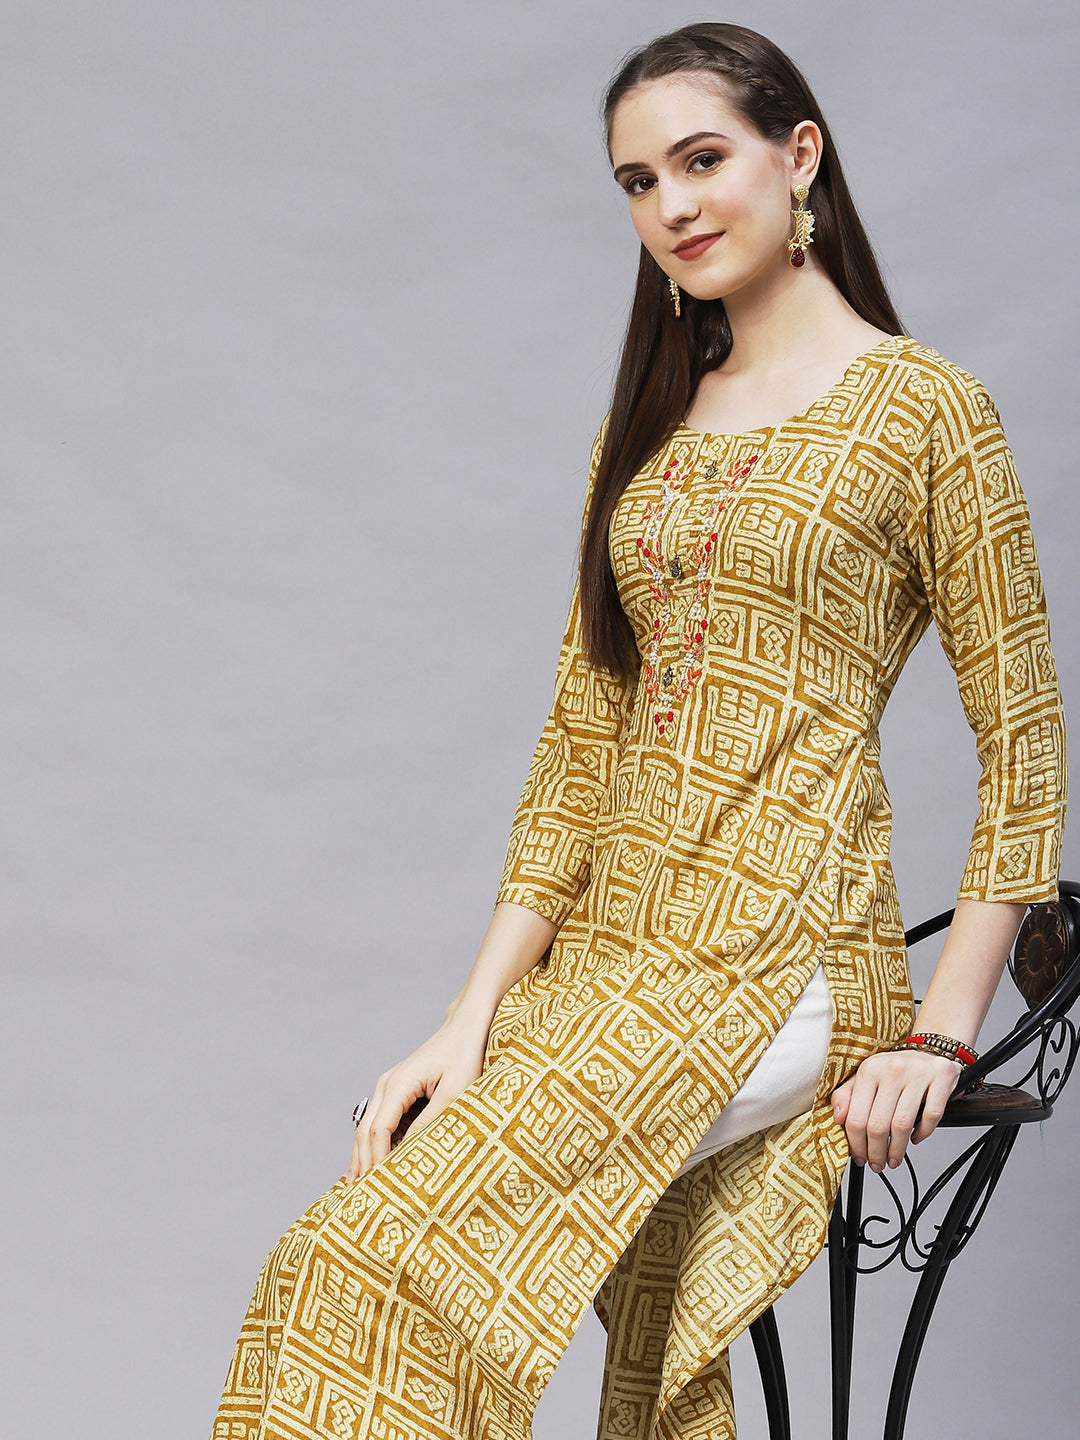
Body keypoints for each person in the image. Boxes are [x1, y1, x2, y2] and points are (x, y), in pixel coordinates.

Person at [210, 22, 1067, 1440]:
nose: (671, 203)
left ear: (800, 156)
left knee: (380, 1260)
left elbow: (1024, 741)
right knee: (342, 1256)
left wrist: (945, 1035)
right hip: (610, 961)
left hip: (781, 953)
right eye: (636, 180)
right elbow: (579, 749)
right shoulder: (656, 428)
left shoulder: (926, 411)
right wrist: (468, 1020)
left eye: (702, 159)